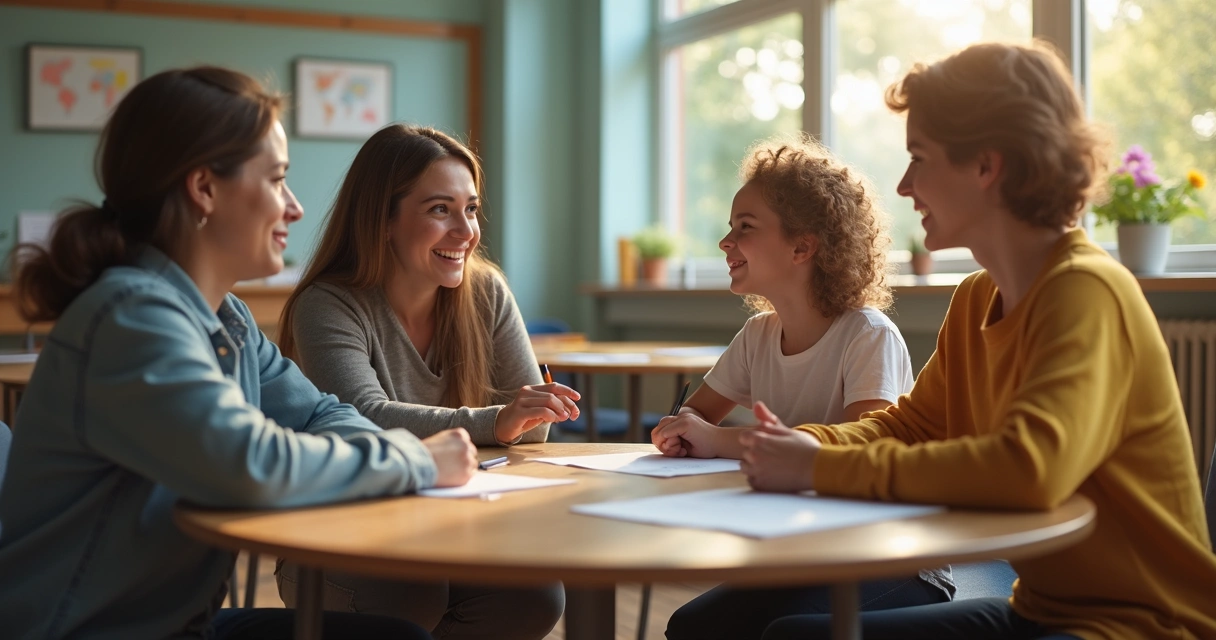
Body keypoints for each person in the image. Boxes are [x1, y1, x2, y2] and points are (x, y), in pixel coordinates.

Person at [734, 42, 1216, 640]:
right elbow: (910, 426)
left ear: (986, 166)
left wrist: (823, 466)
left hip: (1144, 625)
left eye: (920, 158)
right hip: (1042, 608)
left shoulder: (1087, 292)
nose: (905, 185)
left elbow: (1026, 470)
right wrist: (794, 444)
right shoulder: (973, 299)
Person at [0, 67, 476, 640]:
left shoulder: (228, 320)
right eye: (277, 179)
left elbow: (320, 414)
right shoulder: (131, 317)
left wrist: (383, 451)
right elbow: (249, 465)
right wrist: (417, 460)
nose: (294, 207)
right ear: (204, 189)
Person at [274, 124, 574, 639]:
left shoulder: (487, 292)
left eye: (471, 209)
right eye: (440, 210)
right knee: (410, 592)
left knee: (534, 595)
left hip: (450, 531)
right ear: (383, 220)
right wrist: (496, 421)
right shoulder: (328, 303)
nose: (467, 231)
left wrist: (516, 418)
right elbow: (362, 417)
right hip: (339, 538)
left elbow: (532, 428)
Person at [652, 136, 953, 640]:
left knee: (784, 632)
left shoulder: (867, 335)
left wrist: (716, 439)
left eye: (744, 229)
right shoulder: (758, 336)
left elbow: (861, 454)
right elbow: (697, 420)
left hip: (893, 558)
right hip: (803, 552)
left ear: (802, 246)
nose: (726, 243)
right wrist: (678, 430)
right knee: (691, 627)